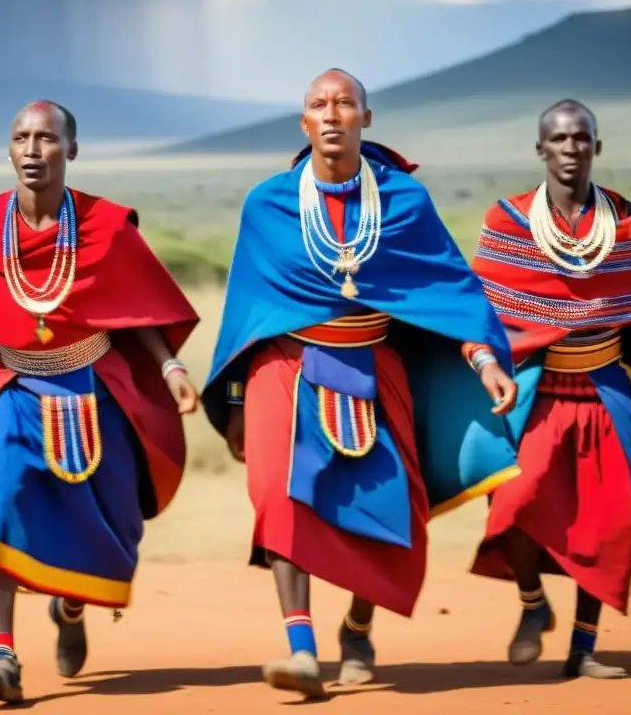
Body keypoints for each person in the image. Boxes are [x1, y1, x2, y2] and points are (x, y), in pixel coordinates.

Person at [202, 68, 519, 698]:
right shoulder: (269, 204)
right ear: (303, 122)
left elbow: (450, 291)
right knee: (278, 497)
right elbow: (244, 316)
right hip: (283, 369)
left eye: (345, 103)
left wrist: (485, 361)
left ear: (365, 119)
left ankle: (356, 623)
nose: (331, 113)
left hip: (375, 367)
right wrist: (235, 403)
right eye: (318, 104)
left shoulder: (403, 202)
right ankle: (300, 649)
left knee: (386, 508)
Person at [0, 100, 200, 703]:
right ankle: (1, 655)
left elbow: (139, 307)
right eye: (20, 137)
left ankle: (70, 605)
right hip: (11, 386)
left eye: (46, 138)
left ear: (70, 150)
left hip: (95, 387)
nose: (31, 149)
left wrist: (171, 368)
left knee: (107, 516)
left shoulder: (105, 226)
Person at [467, 99, 631, 679]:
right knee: (512, 501)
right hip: (537, 388)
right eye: (558, 139)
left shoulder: (627, 223)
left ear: (597, 148)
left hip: (607, 384)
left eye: (581, 139)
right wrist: (486, 363)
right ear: (540, 148)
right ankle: (533, 603)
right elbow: (480, 315)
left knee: (608, 518)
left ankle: (583, 649)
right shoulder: (508, 222)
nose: (570, 148)